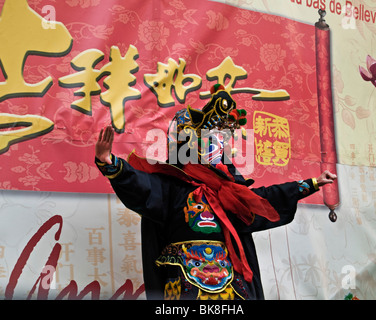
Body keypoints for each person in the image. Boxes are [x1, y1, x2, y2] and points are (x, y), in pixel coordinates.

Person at [95, 84, 337, 300]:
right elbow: (140, 186)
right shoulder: (171, 184)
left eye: (220, 144)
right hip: (184, 276)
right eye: (210, 142)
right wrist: (111, 164)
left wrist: (311, 184)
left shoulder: (228, 190)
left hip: (228, 276)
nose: (218, 149)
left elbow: (264, 200)